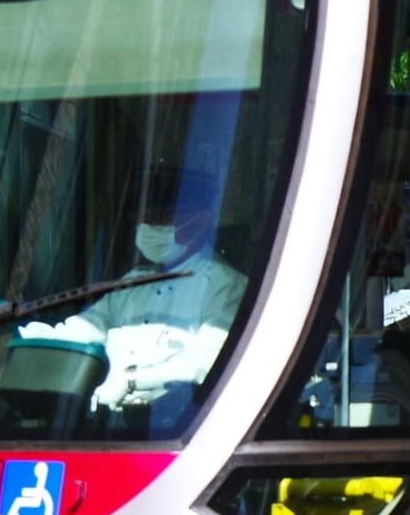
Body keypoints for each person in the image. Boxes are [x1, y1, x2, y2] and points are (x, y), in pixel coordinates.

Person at [25, 162, 254, 418]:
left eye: (161, 220)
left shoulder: (225, 285)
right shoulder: (133, 282)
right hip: (111, 429)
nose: (148, 227)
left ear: (200, 221)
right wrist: (30, 336)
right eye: (144, 219)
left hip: (176, 430)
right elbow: (87, 328)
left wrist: (132, 379)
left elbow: (208, 360)